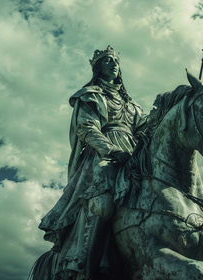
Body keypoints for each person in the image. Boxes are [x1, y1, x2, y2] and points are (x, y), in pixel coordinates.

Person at [39, 45, 146, 279]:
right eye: (106, 61)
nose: (112, 64)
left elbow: (144, 132)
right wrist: (111, 150)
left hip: (133, 155)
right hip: (102, 153)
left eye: (115, 61)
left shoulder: (133, 105)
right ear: (98, 68)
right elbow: (85, 127)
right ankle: (82, 261)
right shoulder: (91, 94)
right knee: (103, 199)